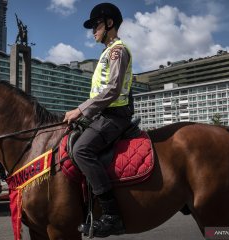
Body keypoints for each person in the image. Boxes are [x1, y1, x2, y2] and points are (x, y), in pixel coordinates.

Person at [63, 3, 133, 237]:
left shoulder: (117, 51)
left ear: (109, 23)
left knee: (81, 150)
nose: (93, 31)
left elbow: (112, 90)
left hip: (114, 116)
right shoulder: (107, 52)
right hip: (103, 114)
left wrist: (80, 110)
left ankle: (112, 215)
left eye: (96, 25)